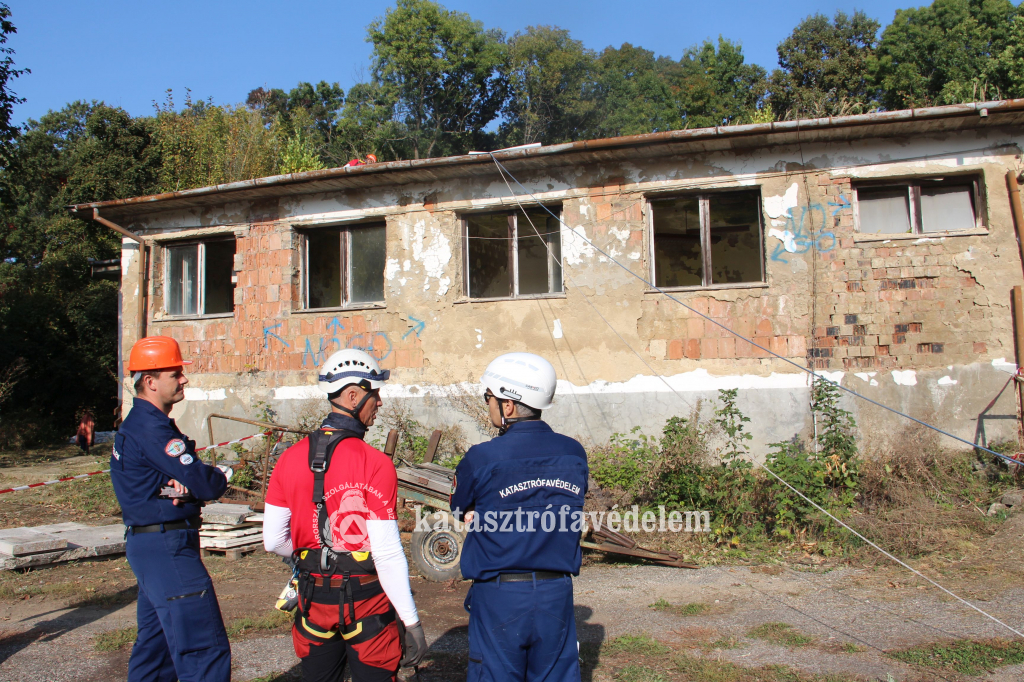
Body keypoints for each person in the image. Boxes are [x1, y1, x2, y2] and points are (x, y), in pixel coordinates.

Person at [262, 349, 427, 682]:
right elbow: (387, 553)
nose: (379, 402)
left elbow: (273, 540)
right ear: (353, 396)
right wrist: (411, 622)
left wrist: (314, 558)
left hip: (313, 600)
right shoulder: (375, 463)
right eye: (375, 393)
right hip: (366, 603)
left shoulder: (289, 458)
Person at [450, 352, 589, 682]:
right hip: (557, 593)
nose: (488, 405)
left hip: (501, 595)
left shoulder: (482, 457)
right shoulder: (573, 452)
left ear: (508, 405)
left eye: (489, 398)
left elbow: (458, 507)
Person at [112, 335, 235, 682]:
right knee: (202, 649)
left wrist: (183, 486)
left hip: (149, 546)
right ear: (150, 382)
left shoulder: (138, 425)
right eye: (175, 373)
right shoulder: (153, 430)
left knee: (156, 650)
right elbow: (206, 483)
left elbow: (167, 485)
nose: (183, 379)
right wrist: (214, 476)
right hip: (168, 549)